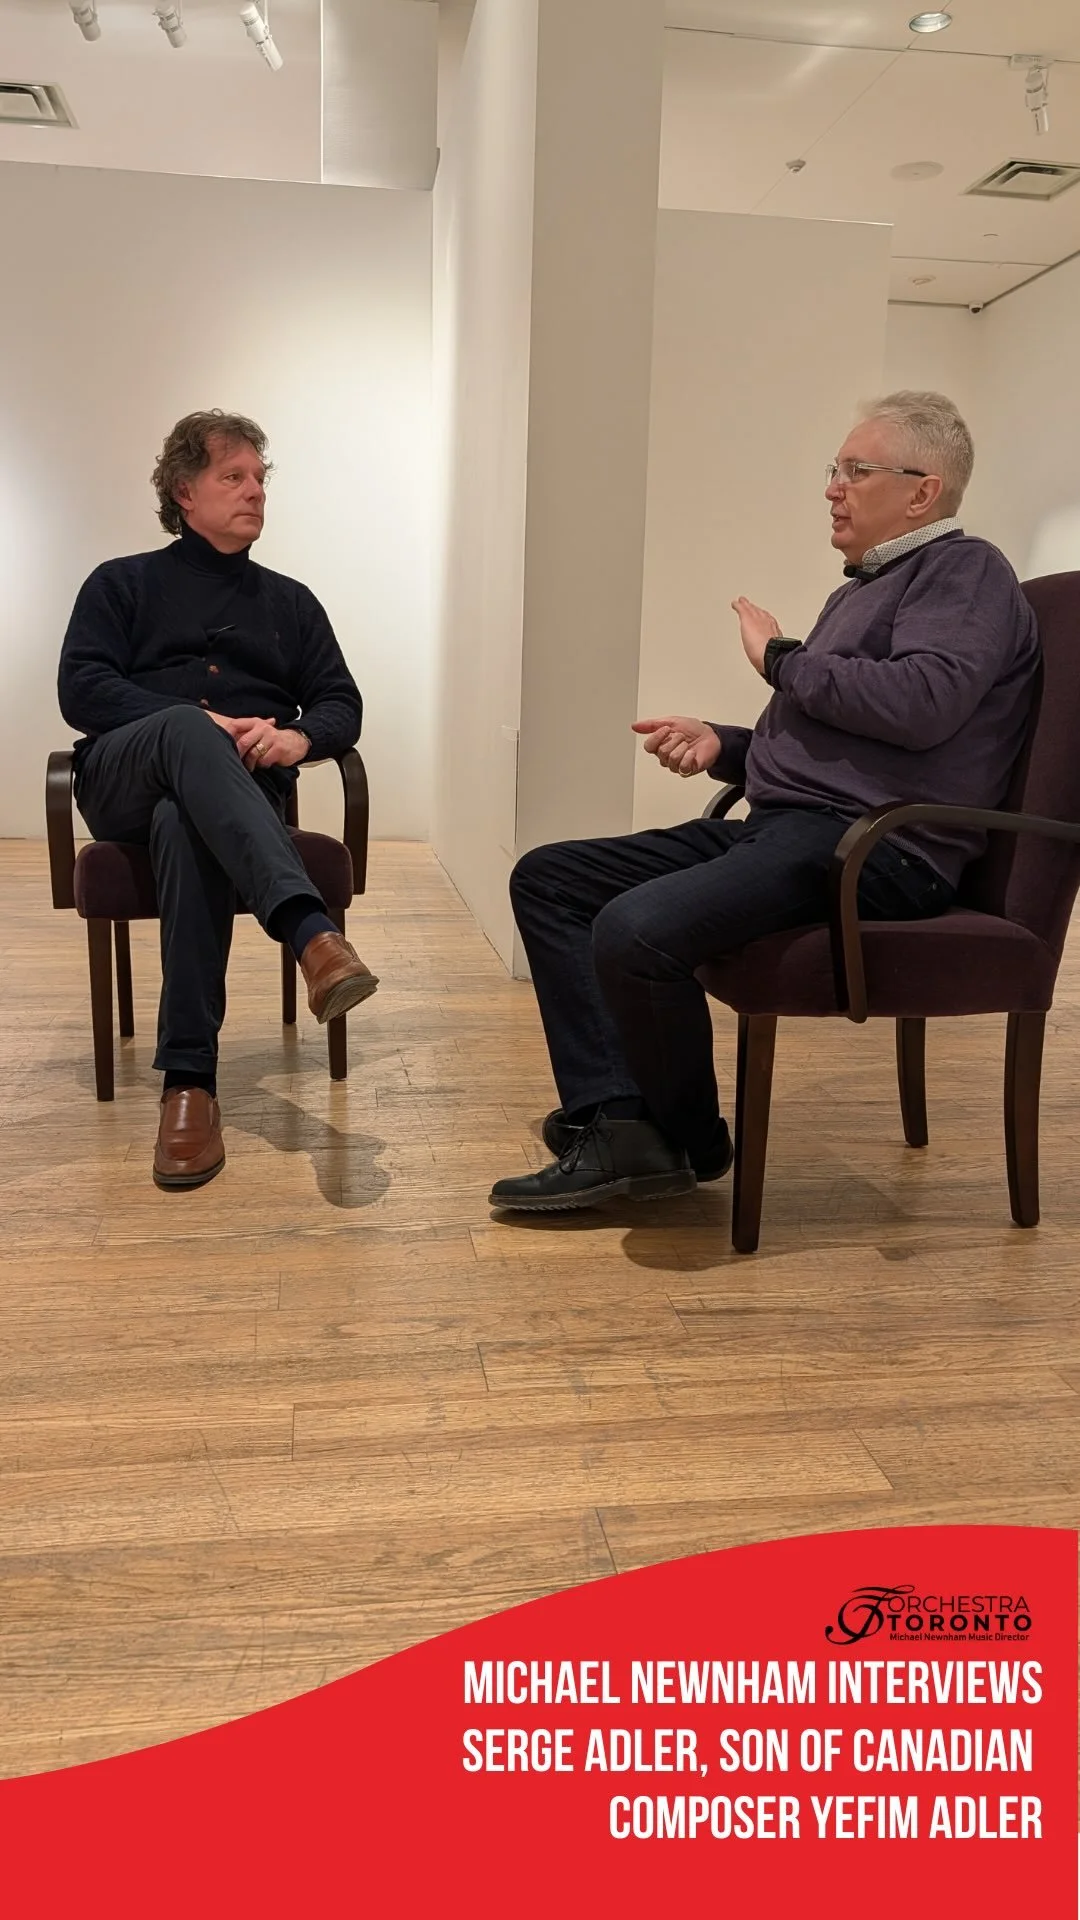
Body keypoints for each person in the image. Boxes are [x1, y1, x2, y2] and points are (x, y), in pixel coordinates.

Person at [489, 390, 1040, 1212]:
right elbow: (838, 744)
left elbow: (923, 705)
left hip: (877, 849)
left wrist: (781, 658)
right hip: (798, 829)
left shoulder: (966, 570)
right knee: (549, 877)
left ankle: (685, 1141)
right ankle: (622, 1119)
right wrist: (728, 744)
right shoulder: (862, 591)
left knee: (637, 930)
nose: (833, 488)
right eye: (835, 469)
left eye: (856, 470)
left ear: (923, 491)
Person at [58, 410, 378, 1191]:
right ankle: (310, 933)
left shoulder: (291, 603)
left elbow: (340, 702)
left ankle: (189, 1087)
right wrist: (195, 723)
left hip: (232, 796)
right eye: (233, 476)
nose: (255, 492)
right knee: (183, 730)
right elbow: (82, 688)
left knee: (185, 820)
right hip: (125, 778)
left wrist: (298, 739)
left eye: (260, 478)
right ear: (184, 491)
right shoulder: (121, 583)